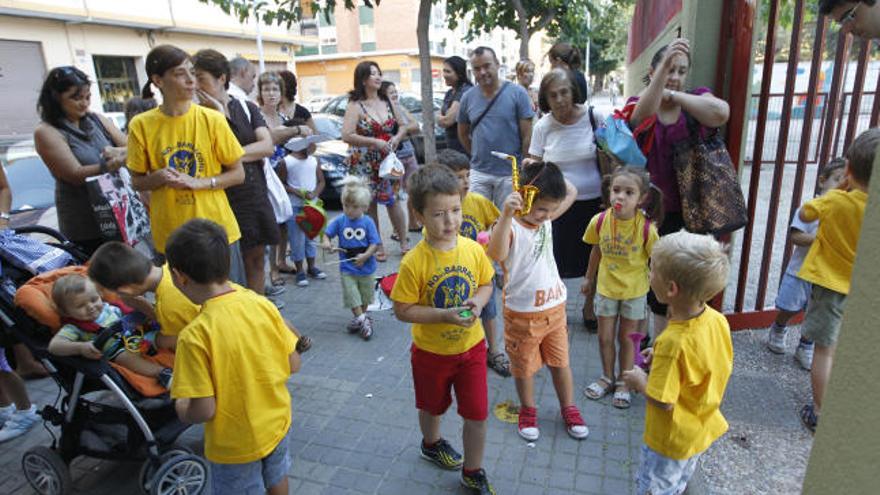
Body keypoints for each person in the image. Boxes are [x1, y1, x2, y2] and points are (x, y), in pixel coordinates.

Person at [167, 219, 301, 495]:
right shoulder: (260, 303)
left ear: (180, 277)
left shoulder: (194, 336)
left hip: (234, 443)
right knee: (277, 477)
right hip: (276, 422)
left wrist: (181, 406)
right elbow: (293, 363)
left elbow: (203, 410)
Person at [390, 165, 496, 494]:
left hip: (473, 349)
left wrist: (477, 304)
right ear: (419, 215)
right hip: (431, 354)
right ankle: (431, 442)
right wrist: (443, 316)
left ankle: (473, 469)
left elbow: (486, 283)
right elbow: (402, 310)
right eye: (438, 214)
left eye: (455, 210)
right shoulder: (414, 261)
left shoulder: (473, 249)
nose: (450, 221)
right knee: (432, 406)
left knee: (477, 413)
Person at [628, 39, 730, 336]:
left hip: (696, 210)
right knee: (660, 282)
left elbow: (721, 112)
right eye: (668, 69)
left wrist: (674, 94)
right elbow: (640, 116)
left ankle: (688, 342)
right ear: (654, 70)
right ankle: (660, 346)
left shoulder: (696, 98)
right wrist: (661, 84)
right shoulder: (641, 102)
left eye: (681, 71)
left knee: (693, 280)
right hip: (658, 213)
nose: (674, 75)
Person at [621, 231, 732, 495]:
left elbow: (663, 399)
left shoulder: (674, 341)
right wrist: (659, 357)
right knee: (677, 480)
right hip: (697, 429)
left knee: (654, 488)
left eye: (653, 270)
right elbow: (701, 362)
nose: (649, 276)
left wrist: (640, 382)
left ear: (671, 289)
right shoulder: (716, 320)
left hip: (668, 441)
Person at [486, 162, 589, 442]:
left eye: (550, 209)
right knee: (523, 368)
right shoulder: (509, 226)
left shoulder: (546, 218)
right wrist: (508, 212)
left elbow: (572, 190)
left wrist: (541, 168)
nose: (546, 215)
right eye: (541, 208)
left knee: (561, 363)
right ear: (524, 196)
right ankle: (528, 410)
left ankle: (569, 408)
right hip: (522, 314)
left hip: (555, 310)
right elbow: (495, 253)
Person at [127, 45, 246, 283]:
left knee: (228, 304)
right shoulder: (141, 125)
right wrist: (159, 177)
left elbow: (238, 174)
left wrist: (198, 183)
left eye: (192, 72)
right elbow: (137, 182)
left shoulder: (212, 119)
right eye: (181, 73)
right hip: (171, 235)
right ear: (158, 80)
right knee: (182, 307)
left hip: (217, 231)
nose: (191, 80)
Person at [88, 241, 313, 354]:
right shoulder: (173, 271)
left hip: (241, 349)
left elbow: (182, 339)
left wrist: (154, 339)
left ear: (125, 291)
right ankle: (295, 340)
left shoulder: (169, 302)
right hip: (263, 327)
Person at [796, 128, 876, 432]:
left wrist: (840, 189)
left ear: (849, 170)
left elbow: (805, 213)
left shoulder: (837, 202)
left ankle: (819, 410)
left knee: (824, 350)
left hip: (830, 285)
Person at [191, 49, 281, 304]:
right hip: (220, 195)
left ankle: (257, 312)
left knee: (256, 259)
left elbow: (266, 147)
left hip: (252, 192)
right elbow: (208, 157)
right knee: (226, 264)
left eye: (200, 77)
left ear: (221, 78)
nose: (195, 84)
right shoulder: (196, 115)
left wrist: (229, 156)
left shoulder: (245, 106)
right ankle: (233, 314)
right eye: (191, 77)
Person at [528, 68, 607, 331]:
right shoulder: (543, 126)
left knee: (593, 260)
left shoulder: (594, 116)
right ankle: (556, 307)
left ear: (574, 92)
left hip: (594, 203)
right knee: (555, 260)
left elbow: (611, 157)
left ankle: (589, 306)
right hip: (558, 207)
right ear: (546, 100)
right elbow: (536, 167)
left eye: (564, 92)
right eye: (553, 95)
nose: (560, 99)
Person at [582, 167, 662, 409]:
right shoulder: (599, 221)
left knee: (627, 339)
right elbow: (595, 250)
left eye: (629, 192)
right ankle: (608, 377)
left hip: (634, 292)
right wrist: (588, 279)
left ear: (642, 198)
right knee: (604, 337)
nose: (620, 197)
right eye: (616, 190)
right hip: (606, 289)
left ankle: (625, 382)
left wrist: (656, 288)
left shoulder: (647, 228)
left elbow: (655, 260)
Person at [34, 66, 129, 254]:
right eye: (76, 98)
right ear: (55, 98)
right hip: (85, 224)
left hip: (120, 213)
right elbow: (74, 174)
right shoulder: (47, 132)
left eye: (87, 97)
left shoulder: (98, 120)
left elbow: (132, 147)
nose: (84, 103)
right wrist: (112, 162)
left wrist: (119, 152)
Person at [767, 159, 846, 369]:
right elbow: (797, 237)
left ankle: (806, 346)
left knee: (816, 311)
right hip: (801, 271)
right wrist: (823, 239)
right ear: (822, 181)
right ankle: (779, 326)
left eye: (847, 184)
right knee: (790, 306)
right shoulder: (811, 208)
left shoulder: (844, 213)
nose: (841, 187)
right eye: (837, 180)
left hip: (825, 275)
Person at [437, 148, 509, 377]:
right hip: (455, 272)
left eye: (467, 175)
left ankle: (494, 350)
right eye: (458, 177)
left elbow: (499, 222)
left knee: (488, 311)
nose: (465, 182)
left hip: (481, 271)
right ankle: (455, 351)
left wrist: (490, 232)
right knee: (456, 310)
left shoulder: (478, 201)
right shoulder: (440, 208)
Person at [47, 274, 173, 388]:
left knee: (168, 337)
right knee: (124, 357)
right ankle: (163, 374)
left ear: (99, 295)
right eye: (80, 306)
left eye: (93, 299)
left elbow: (136, 317)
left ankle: (189, 350)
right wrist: (80, 347)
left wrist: (141, 309)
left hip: (141, 337)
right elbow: (54, 347)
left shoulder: (111, 308)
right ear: (65, 312)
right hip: (120, 351)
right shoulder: (74, 328)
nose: (91, 307)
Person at [341, 61, 410, 260]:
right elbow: (346, 134)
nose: (378, 77)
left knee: (394, 201)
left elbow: (404, 124)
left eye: (379, 73)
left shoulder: (388, 100)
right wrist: (374, 142)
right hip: (363, 161)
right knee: (368, 203)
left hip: (388, 159)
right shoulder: (355, 105)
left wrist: (396, 138)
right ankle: (377, 245)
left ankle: (404, 241)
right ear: (363, 79)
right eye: (373, 74)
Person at [458, 46, 535, 208]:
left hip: (509, 174)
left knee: (507, 223)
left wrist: (522, 169)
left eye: (487, 66)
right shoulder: (467, 97)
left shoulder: (518, 93)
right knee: (476, 221)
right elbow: (463, 133)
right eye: (477, 69)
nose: (482, 72)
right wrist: (477, 154)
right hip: (479, 172)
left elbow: (527, 135)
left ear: (498, 64)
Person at [321, 177, 381, 340]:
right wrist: (327, 243)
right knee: (352, 295)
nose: (349, 210)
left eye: (354, 207)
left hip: (367, 268)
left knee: (365, 297)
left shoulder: (368, 222)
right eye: (346, 206)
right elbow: (327, 234)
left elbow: (375, 243)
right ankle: (363, 320)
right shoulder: (340, 221)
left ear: (364, 207)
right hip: (347, 269)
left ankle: (359, 318)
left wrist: (366, 255)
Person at [257, 71, 300, 285]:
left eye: (275, 89)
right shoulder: (257, 116)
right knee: (272, 222)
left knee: (284, 221)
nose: (271, 93)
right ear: (260, 92)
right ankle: (272, 269)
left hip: (283, 175)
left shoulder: (283, 117)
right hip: (264, 175)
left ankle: (282, 260)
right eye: (266, 89)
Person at [281, 137, 327, 287]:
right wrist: (296, 192)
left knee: (310, 237)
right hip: (295, 206)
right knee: (297, 239)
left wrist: (314, 193)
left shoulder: (314, 161)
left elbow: (321, 181)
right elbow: (282, 183)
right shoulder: (286, 162)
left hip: (311, 206)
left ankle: (311, 266)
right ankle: (300, 270)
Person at [379, 81, 421, 233]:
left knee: (415, 190)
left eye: (395, 91)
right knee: (395, 196)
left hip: (409, 155)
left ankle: (412, 222)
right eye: (391, 92)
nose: (395, 95)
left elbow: (416, 126)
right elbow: (387, 133)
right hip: (394, 160)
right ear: (383, 95)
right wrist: (403, 132)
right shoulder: (382, 111)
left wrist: (402, 131)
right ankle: (398, 230)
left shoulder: (400, 108)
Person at [438, 55, 474, 155]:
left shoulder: (465, 91)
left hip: (465, 147)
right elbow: (441, 117)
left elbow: (447, 121)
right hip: (452, 146)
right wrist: (442, 118)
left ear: (459, 73)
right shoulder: (450, 93)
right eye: (444, 71)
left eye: (448, 71)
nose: (444, 75)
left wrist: (442, 118)